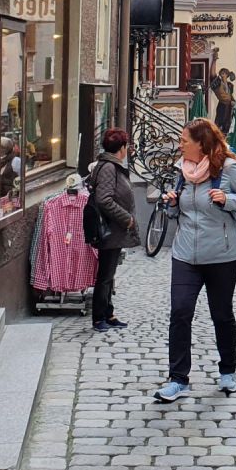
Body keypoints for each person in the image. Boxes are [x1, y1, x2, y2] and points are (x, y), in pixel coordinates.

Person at [155, 118, 236, 402]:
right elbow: (177, 213)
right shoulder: (182, 171)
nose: (180, 145)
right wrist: (172, 204)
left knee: (221, 314)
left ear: (201, 144)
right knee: (180, 312)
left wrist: (228, 199)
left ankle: (228, 371)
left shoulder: (228, 168)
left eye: (184, 141)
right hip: (185, 254)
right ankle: (178, 379)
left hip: (222, 255)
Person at [85, 128, 138, 332]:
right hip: (109, 228)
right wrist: (127, 219)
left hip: (112, 228)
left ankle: (109, 314)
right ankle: (99, 318)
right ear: (122, 148)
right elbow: (104, 199)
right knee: (105, 275)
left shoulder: (109, 164)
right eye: (126, 146)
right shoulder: (108, 167)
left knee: (109, 273)